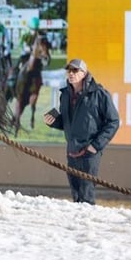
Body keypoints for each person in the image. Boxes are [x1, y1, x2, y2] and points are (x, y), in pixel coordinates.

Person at [43, 58, 120, 204]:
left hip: (89, 154)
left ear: (84, 73)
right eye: (69, 71)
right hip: (72, 152)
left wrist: (95, 146)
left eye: (75, 70)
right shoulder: (64, 94)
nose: (70, 74)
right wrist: (53, 122)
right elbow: (67, 123)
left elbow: (113, 121)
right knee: (76, 196)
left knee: (86, 198)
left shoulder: (100, 94)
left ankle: (88, 225)